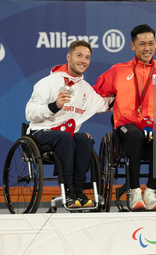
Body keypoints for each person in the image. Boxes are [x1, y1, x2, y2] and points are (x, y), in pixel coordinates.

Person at [93, 24, 156, 210]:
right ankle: (134, 191)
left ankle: (150, 191)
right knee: (134, 135)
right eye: (142, 44)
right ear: (133, 46)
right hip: (128, 126)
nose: (147, 48)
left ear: (155, 44)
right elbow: (94, 93)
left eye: (151, 43)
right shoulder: (118, 71)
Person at [26, 40, 110, 208]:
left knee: (85, 139)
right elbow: (29, 112)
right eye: (79, 55)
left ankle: (78, 191)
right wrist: (54, 106)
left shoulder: (86, 88)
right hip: (41, 132)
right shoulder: (48, 82)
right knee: (65, 137)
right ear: (69, 57)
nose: (83, 61)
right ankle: (68, 191)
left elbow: (105, 104)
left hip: (67, 137)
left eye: (87, 57)